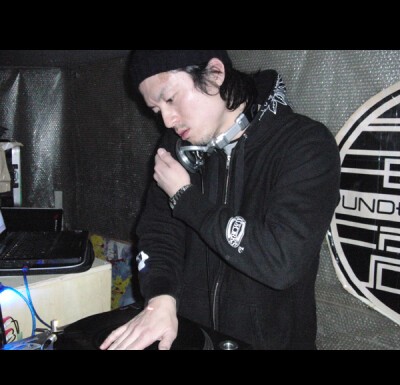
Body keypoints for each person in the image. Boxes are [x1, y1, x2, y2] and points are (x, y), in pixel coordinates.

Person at [100, 50, 341, 350]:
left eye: (171, 99)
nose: (167, 120)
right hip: (195, 339)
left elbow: (282, 261)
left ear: (215, 74)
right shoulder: (177, 147)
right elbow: (158, 231)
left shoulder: (305, 145)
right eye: (156, 109)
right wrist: (160, 299)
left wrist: (185, 198)